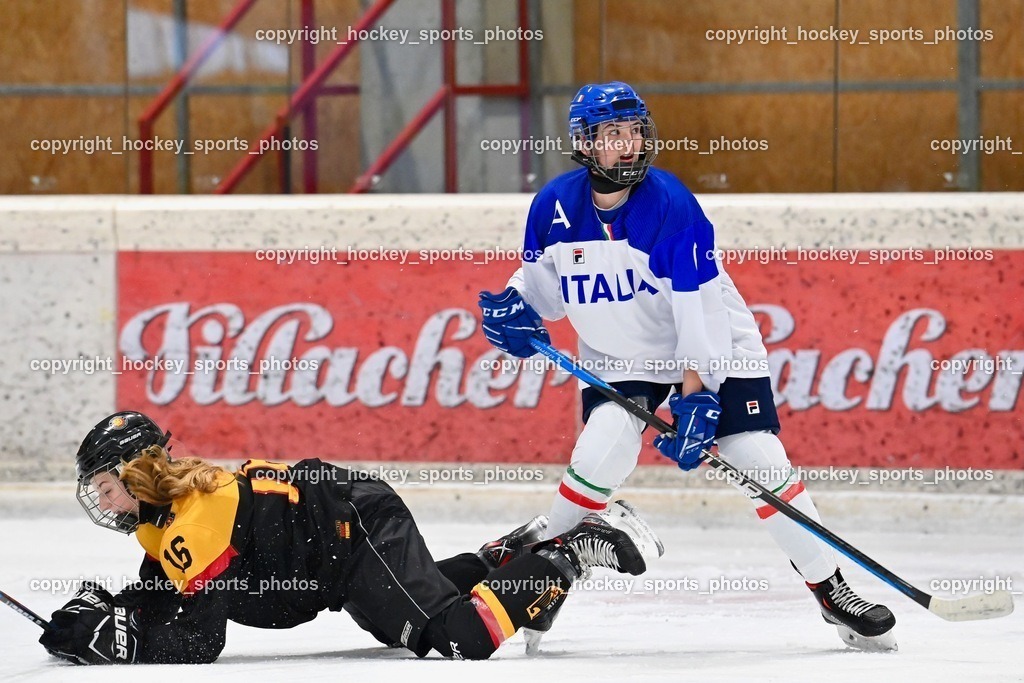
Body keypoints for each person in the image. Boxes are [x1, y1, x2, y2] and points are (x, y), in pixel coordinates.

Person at [477, 81, 896, 652]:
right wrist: (514, 310)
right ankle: (541, 582)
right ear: (584, 143)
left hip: (714, 347)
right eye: (612, 134)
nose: (628, 145)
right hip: (621, 355)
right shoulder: (553, 205)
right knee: (599, 452)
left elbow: (699, 315)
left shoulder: (671, 204)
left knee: (759, 460)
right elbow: (542, 291)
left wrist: (697, 395)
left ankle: (832, 589)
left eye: (634, 131)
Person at [38, 411, 663, 665]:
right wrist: (107, 617)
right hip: (341, 551)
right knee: (403, 618)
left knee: (457, 638)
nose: (98, 500)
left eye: (104, 485)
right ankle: (512, 554)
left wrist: (116, 644)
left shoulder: (193, 523)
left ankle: (572, 549)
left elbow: (201, 639)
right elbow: (160, 594)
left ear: (137, 475)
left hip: (356, 532)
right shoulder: (160, 520)